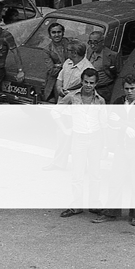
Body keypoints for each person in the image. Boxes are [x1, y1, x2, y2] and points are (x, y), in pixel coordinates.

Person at [56, 68, 107, 218]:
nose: (88, 85)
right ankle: (76, 205)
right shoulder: (72, 97)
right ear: (82, 81)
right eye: (86, 82)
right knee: (77, 174)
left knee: (95, 174)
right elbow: (56, 111)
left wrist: (105, 145)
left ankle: (94, 204)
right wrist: (65, 129)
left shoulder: (100, 101)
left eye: (91, 82)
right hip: (79, 139)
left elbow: (104, 124)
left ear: (96, 83)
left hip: (95, 139)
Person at [104, 75, 135, 225]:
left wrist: (121, 123)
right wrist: (126, 127)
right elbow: (110, 122)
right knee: (115, 181)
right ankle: (111, 213)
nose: (129, 91)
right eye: (126, 88)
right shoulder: (119, 102)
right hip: (122, 147)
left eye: (132, 88)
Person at [85, 30, 122, 102]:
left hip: (104, 90)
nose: (92, 45)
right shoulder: (89, 51)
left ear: (102, 42)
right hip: (90, 88)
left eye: (95, 42)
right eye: (90, 42)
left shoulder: (112, 55)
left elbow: (119, 74)